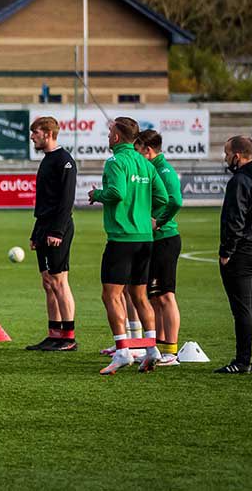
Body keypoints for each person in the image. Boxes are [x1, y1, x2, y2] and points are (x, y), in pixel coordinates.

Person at [89, 117, 176, 375]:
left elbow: (117, 193)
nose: (108, 137)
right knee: (139, 296)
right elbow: (163, 197)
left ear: (116, 137)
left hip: (122, 239)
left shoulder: (115, 161)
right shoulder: (145, 163)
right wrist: (148, 216)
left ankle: (123, 352)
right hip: (145, 239)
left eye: (109, 133)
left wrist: (96, 195)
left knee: (111, 295)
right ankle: (151, 350)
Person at [215, 135, 252, 374]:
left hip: (242, 253)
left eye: (227, 153)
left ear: (237, 156)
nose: (225, 158)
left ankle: (242, 361)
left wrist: (226, 251)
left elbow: (235, 220)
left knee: (242, 308)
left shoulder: (239, 182)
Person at [25, 116, 78, 352]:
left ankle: (69, 337)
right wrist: (36, 233)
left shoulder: (64, 161)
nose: (32, 137)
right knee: (48, 283)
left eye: (35, 132)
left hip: (58, 228)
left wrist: (57, 230)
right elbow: (44, 201)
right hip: (44, 227)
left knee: (59, 281)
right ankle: (54, 334)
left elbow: (67, 200)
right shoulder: (47, 159)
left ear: (47, 133)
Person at [135, 129, 184, 365]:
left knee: (166, 296)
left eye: (138, 150)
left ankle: (171, 352)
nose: (136, 155)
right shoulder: (151, 169)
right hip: (154, 239)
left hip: (165, 239)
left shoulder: (164, 171)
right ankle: (160, 347)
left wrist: (160, 221)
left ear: (148, 150)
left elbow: (176, 201)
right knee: (154, 297)